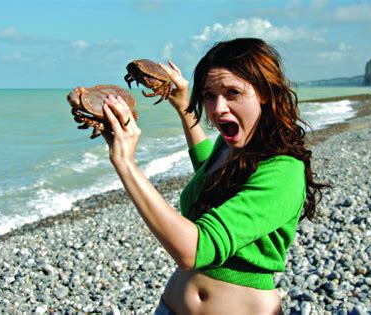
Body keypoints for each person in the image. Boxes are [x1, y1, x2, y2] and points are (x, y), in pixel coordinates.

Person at [101, 38, 327, 314]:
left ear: (265, 93)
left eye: (232, 92)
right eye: (208, 95)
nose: (217, 108)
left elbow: (194, 249)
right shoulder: (231, 146)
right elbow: (209, 169)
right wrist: (184, 106)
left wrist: (126, 163)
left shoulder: (283, 172)